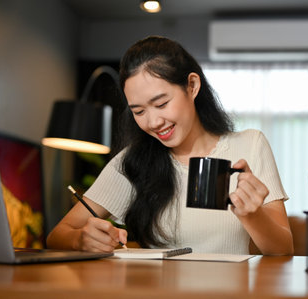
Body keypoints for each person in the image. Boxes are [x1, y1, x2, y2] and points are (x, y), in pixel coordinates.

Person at [46, 36, 294, 255]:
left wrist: (252, 215)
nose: (154, 122)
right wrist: (80, 239)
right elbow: (58, 235)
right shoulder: (133, 162)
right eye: (139, 111)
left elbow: (283, 249)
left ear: (192, 86)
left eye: (162, 103)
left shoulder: (249, 145)